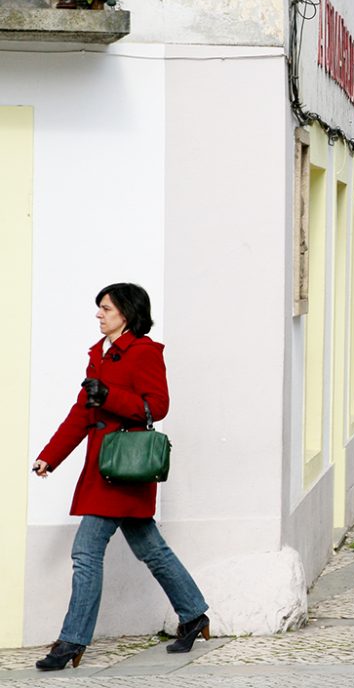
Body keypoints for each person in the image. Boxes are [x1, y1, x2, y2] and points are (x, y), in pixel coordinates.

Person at [32, 284, 210, 670]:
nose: (99, 314)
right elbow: (82, 412)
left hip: (123, 468)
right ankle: (194, 614)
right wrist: (50, 456)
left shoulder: (144, 352)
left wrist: (109, 394)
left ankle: (71, 642)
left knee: (85, 553)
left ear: (125, 313)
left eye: (106, 308)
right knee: (152, 551)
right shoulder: (99, 355)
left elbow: (157, 407)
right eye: (99, 308)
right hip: (105, 468)